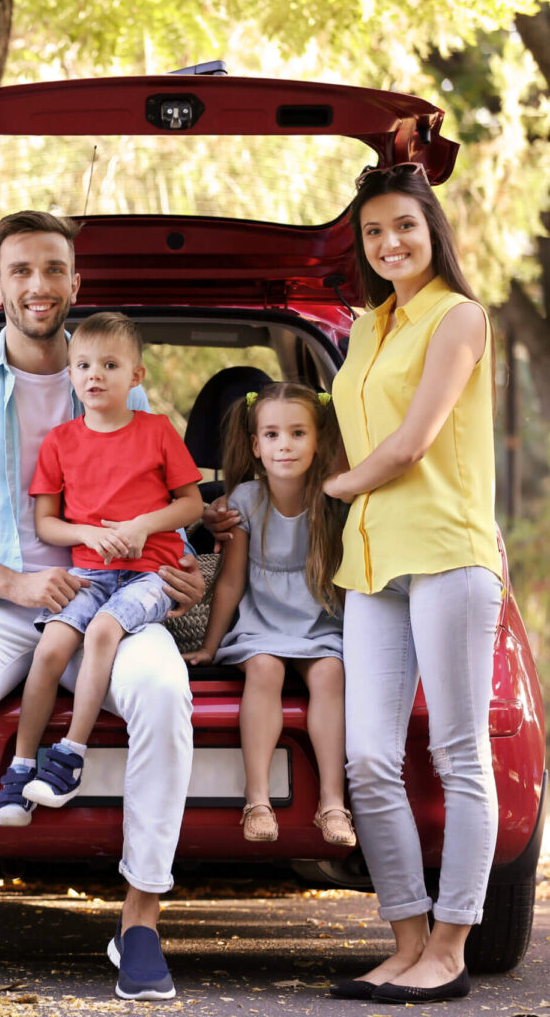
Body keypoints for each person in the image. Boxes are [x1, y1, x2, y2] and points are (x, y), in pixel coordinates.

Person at [0, 211, 206, 1002]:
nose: (38, 285)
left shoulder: (112, 381)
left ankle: (138, 924)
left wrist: (184, 572)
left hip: (111, 600)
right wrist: (10, 581)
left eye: (53, 269)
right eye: (21, 271)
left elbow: (160, 501)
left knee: (165, 697)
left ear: (74, 283)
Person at [324, 162, 503, 1004]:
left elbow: (409, 443)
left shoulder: (458, 317)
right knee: (366, 759)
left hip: (445, 553)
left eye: (402, 225)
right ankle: (405, 941)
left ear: (431, 230)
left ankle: (452, 944)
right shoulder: (366, 328)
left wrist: (328, 489)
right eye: (372, 232)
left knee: (459, 753)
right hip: (370, 562)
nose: (389, 242)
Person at [0, 312, 203, 819]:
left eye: (110, 365)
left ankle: (70, 755)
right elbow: (46, 522)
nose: (95, 375)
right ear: (70, 373)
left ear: (135, 376)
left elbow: (191, 505)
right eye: (83, 364)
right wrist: (86, 532)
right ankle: (22, 768)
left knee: (104, 631)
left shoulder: (155, 431)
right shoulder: (61, 442)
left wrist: (142, 525)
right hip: (90, 572)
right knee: (51, 649)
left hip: (151, 573)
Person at [183, 382, 354, 848]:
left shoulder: (333, 500)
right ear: (256, 446)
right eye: (273, 435)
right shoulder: (243, 501)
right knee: (263, 669)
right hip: (261, 626)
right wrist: (211, 647)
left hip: (318, 625)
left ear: (319, 441)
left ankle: (333, 803)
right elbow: (232, 583)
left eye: (298, 433)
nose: (285, 445)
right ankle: (257, 799)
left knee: (330, 675)